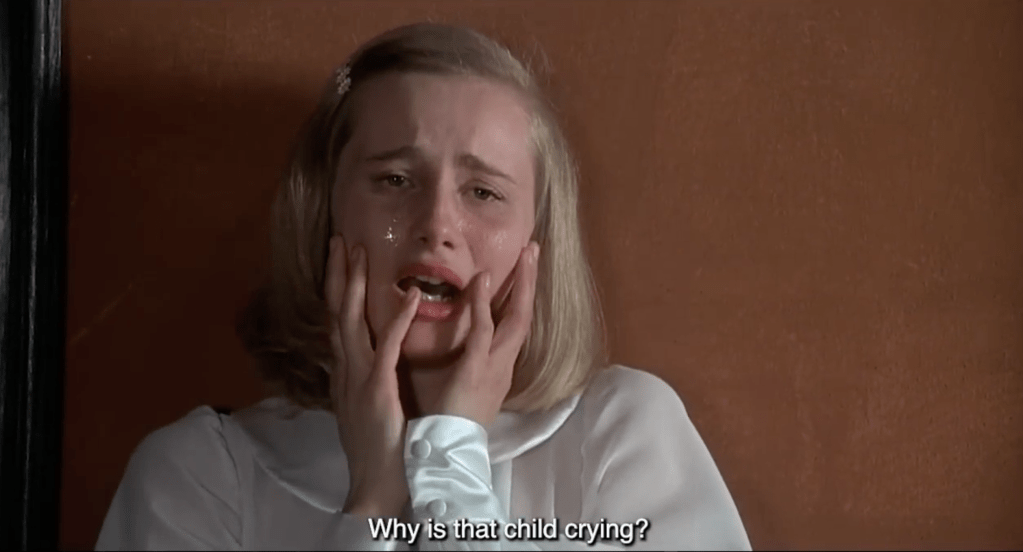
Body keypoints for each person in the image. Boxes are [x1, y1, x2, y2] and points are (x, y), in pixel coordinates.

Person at [95, 23, 751, 551]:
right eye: (394, 180)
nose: (437, 225)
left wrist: (451, 461)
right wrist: (372, 501)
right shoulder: (199, 475)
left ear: (537, 243)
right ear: (324, 214)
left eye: (483, 192)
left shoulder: (622, 435)